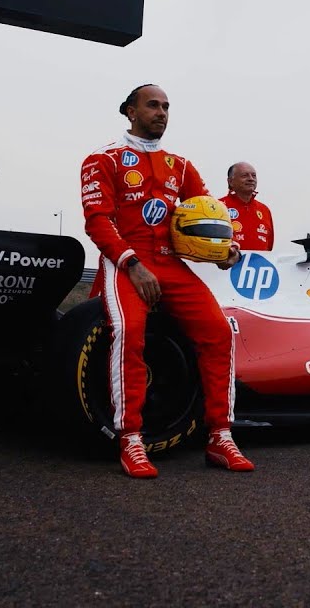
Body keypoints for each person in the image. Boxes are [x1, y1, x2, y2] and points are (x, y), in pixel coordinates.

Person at [81, 83, 256, 477]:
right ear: (130, 111)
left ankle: (220, 435)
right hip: (125, 259)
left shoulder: (180, 164)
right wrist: (130, 263)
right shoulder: (102, 158)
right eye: (152, 105)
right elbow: (97, 220)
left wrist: (227, 248)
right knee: (128, 329)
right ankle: (130, 438)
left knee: (219, 330)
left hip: (171, 262)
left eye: (166, 107)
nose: (161, 112)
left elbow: (210, 212)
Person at [219, 162, 274, 251]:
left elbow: (269, 248)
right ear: (230, 181)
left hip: (258, 264)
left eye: (254, 176)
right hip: (228, 264)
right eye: (245, 176)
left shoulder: (264, 210)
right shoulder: (218, 207)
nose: (251, 179)